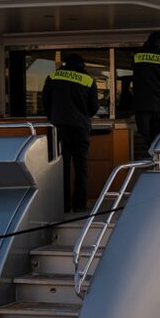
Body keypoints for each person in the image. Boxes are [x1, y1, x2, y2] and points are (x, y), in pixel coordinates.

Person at [42, 53, 98, 212]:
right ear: (82, 65)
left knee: (62, 167)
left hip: (58, 128)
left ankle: (64, 204)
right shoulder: (87, 79)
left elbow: (45, 101)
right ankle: (79, 204)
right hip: (80, 128)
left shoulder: (53, 76)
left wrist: (54, 116)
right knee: (81, 167)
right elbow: (93, 108)